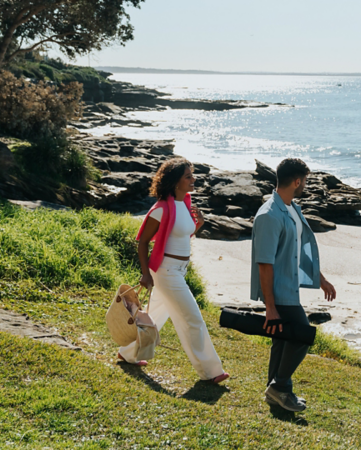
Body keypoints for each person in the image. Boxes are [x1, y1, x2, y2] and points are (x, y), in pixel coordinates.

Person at [118, 157, 230, 384]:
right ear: (174, 181)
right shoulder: (160, 209)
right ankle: (211, 371)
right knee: (193, 319)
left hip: (179, 270)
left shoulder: (185, 204)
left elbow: (179, 236)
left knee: (155, 316)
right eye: (188, 176)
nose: (193, 179)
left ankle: (127, 353)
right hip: (166, 272)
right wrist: (146, 273)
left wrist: (198, 226)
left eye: (192, 175)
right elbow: (143, 242)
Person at [251, 158, 336, 411]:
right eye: (305, 181)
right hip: (279, 293)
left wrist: (321, 280)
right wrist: (271, 306)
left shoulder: (292, 209)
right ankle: (280, 387)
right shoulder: (269, 215)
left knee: (283, 340)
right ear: (297, 181)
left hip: (290, 289)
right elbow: (264, 263)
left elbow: (298, 253)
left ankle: (273, 392)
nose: (305, 185)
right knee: (302, 336)